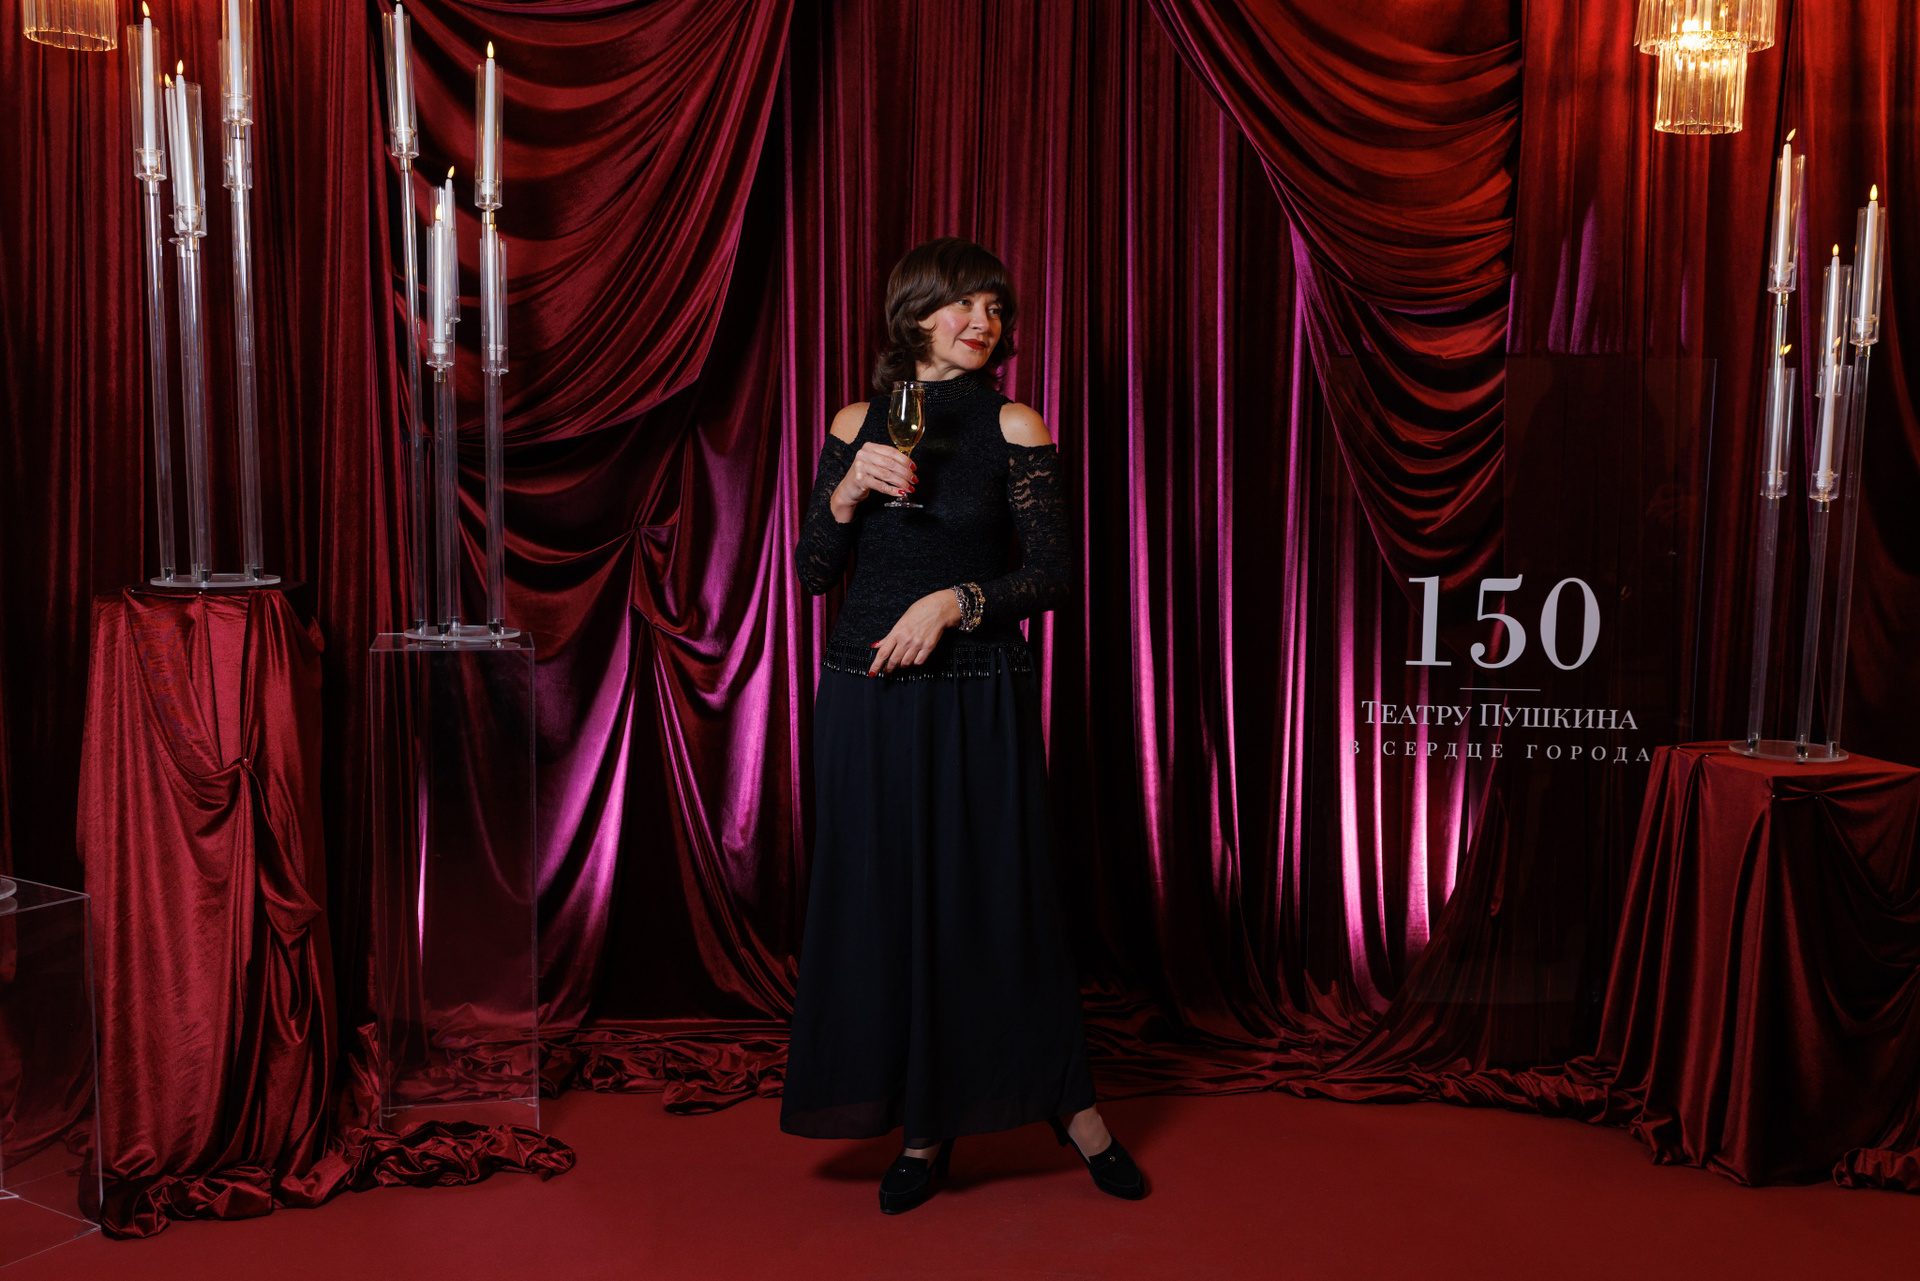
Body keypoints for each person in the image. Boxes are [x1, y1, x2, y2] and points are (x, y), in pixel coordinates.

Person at [782, 237, 1146, 1214]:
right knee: (890, 909)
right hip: (864, 695)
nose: (983, 321)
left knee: (995, 902)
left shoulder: (1013, 423)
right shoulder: (857, 421)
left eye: (994, 307)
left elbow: (1054, 574)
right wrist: (846, 493)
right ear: (914, 314)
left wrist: (957, 602)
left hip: (975, 691)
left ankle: (1075, 1109)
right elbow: (814, 573)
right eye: (963, 304)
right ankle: (925, 1125)